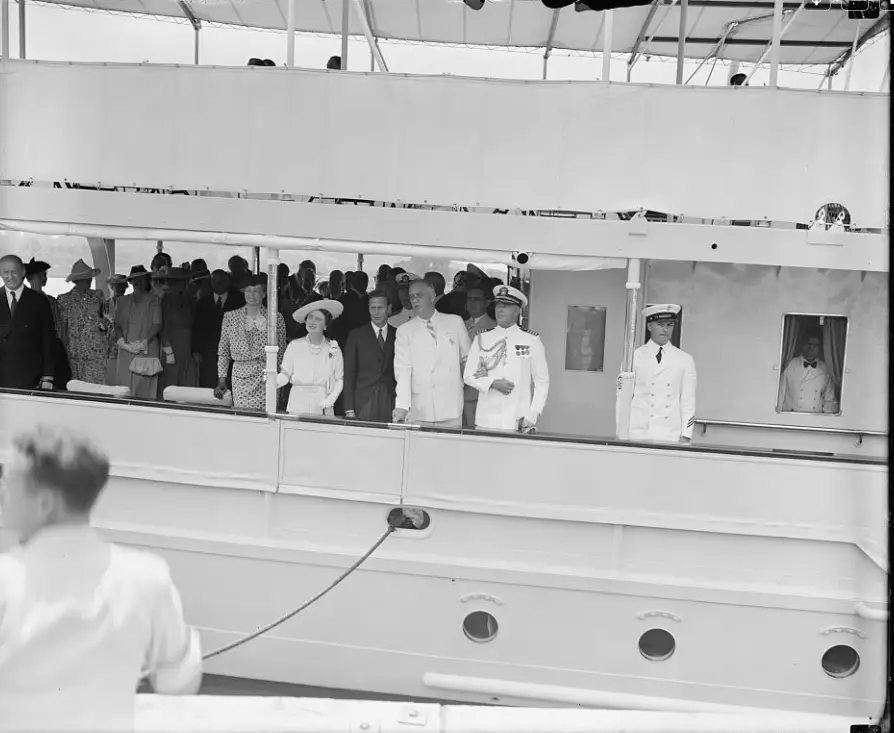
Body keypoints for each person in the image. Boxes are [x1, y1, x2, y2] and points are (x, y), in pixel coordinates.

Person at [0, 425, 202, 732]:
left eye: (8, 482)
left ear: (44, 503)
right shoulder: (147, 578)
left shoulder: (6, 581)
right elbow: (179, 680)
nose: (2, 491)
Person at [464, 285, 549, 432]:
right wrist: (493, 383)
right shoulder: (482, 337)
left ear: (517, 311)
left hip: (518, 417)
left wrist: (533, 414)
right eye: (498, 305)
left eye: (506, 306)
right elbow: (468, 375)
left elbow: (542, 380)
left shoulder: (531, 339)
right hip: (487, 418)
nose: (500, 309)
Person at [393, 278, 470, 427]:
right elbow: (402, 370)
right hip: (420, 407)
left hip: (451, 405)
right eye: (412, 296)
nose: (415, 300)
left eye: (419, 295)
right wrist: (402, 405)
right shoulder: (405, 331)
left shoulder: (455, 322)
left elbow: (467, 359)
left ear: (432, 294)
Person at [215, 273, 287, 410]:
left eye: (256, 291)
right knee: (243, 418)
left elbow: (281, 353)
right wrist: (222, 379)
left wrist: (280, 381)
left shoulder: (276, 318)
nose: (251, 294)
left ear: (264, 294)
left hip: (267, 378)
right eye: (248, 291)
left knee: (267, 419)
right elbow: (223, 352)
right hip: (240, 379)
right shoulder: (230, 317)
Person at [626, 304, 696, 443]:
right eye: (660, 324)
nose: (665, 329)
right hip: (638, 432)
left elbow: (688, 400)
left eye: (669, 325)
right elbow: (623, 398)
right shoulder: (634, 357)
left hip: (670, 434)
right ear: (650, 326)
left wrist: (686, 434)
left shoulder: (685, 360)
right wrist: (621, 431)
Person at [277, 299, 344, 415]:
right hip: (298, 400)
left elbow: (339, 379)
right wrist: (274, 380)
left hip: (322, 402)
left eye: (318, 319)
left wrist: (331, 399)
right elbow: (285, 374)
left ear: (326, 325)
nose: (312, 321)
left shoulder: (333, 349)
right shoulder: (294, 346)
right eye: (310, 317)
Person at [0, 254, 55, 391]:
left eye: (14, 272)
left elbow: (48, 338)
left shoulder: (39, 301)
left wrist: (48, 374)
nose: (10, 276)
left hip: (30, 374)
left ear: (23, 272)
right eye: (6, 272)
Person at [343, 289, 397, 422]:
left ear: (389, 308)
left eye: (380, 307)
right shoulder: (356, 336)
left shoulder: (398, 335)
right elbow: (349, 373)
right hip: (363, 400)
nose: (376, 312)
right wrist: (349, 409)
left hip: (390, 400)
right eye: (373, 308)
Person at [113, 265, 163, 399]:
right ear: (130, 282)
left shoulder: (154, 300)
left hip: (146, 350)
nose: (138, 282)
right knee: (124, 391)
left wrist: (143, 342)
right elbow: (116, 325)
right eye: (134, 279)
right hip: (126, 352)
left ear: (147, 280)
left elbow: (157, 325)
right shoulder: (121, 301)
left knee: (145, 391)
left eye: (142, 278)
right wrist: (122, 343)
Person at [57, 259, 109, 385]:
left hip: (97, 354)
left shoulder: (97, 296)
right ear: (77, 280)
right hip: (75, 355)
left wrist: (103, 326)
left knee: (97, 390)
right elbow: (62, 328)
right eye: (86, 278)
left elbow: (106, 320)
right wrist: (62, 352)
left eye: (89, 278)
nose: (89, 281)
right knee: (76, 390)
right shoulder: (64, 300)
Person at [191, 270, 245, 388]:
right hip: (208, 352)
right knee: (208, 383)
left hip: (233, 353)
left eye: (222, 281)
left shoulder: (240, 300)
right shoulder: (203, 302)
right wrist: (196, 351)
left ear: (228, 282)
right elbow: (197, 328)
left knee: (231, 385)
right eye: (215, 281)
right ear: (211, 283)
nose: (218, 284)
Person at [25, 258, 72, 390]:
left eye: (45, 275)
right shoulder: (23, 301)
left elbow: (58, 325)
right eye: (40, 275)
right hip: (31, 349)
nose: (44, 278)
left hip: (52, 347)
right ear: (29, 278)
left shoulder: (51, 300)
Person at [777, 328, 838, 413]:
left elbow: (829, 401)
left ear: (820, 348)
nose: (811, 348)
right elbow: (780, 395)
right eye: (808, 344)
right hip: (790, 418)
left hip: (815, 420)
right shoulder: (789, 364)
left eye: (815, 345)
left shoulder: (827, 369)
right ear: (802, 344)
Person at [156, 267, 196, 390]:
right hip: (172, 346)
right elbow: (164, 326)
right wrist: (168, 351)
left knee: (185, 381)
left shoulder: (187, 298)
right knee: (170, 382)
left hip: (186, 346)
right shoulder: (166, 299)